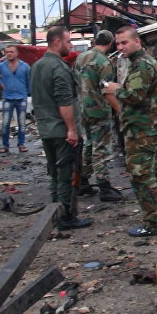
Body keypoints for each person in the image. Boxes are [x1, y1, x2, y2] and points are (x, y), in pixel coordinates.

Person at [103, 26, 157, 236]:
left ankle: (151, 224)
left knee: (141, 177)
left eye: (124, 43)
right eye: (118, 44)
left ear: (136, 42)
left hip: (142, 130)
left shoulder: (141, 65)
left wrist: (115, 89)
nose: (121, 47)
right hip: (144, 128)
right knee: (152, 174)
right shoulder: (139, 63)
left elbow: (135, 96)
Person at [31, 26, 91, 230]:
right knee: (67, 174)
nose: (70, 45)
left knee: (55, 174)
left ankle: (55, 213)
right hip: (61, 131)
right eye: (68, 42)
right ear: (56, 41)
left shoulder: (37, 66)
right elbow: (64, 102)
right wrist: (72, 130)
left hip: (46, 128)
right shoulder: (59, 68)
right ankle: (66, 216)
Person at [74, 30, 122, 202]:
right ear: (110, 44)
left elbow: (76, 82)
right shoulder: (104, 62)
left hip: (83, 109)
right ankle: (104, 186)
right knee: (100, 149)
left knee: (88, 146)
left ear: (95, 41)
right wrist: (120, 111)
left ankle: (82, 181)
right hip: (99, 111)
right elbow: (107, 90)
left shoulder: (81, 58)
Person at [0, 45, 31, 153]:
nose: (9, 54)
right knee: (5, 123)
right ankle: (5, 145)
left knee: (21, 122)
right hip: (7, 97)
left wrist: (29, 92)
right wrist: (1, 82)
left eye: (11, 52)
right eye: (7, 52)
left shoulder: (25, 66)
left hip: (21, 97)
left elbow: (29, 80)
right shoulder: (1, 66)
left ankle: (21, 144)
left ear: (17, 53)